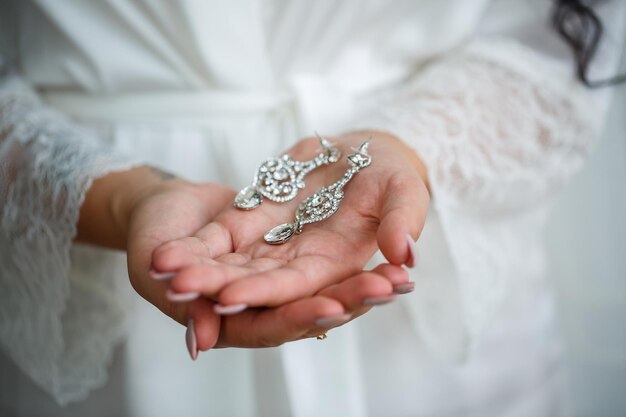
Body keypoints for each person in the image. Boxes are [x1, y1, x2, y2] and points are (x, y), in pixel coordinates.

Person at [0, 1, 624, 416]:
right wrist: (118, 194)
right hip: (105, 290)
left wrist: (409, 142)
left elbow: (555, 34)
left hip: (426, 288)